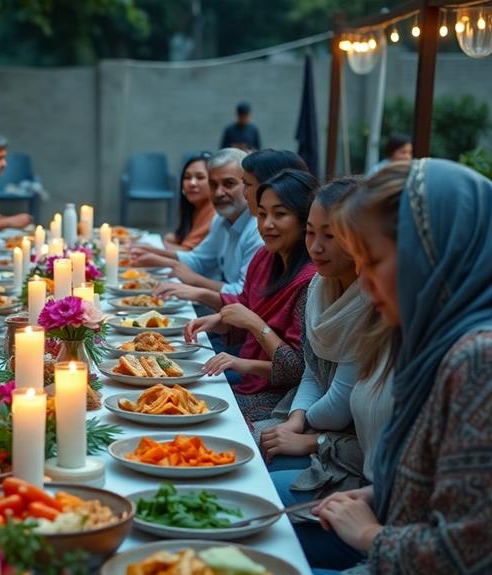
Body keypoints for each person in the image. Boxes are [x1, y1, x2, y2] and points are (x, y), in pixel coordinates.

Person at [310, 159, 492, 573]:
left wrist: (367, 534)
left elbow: (483, 555)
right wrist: (380, 494)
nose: (363, 283)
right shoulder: (449, 335)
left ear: (434, 255)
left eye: (375, 260)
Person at [263, 178, 396, 570]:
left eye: (331, 236)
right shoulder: (320, 288)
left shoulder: (377, 308)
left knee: (247, 487)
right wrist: (296, 421)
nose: (315, 247)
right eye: (311, 233)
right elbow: (310, 371)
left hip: (352, 478)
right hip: (357, 483)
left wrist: (306, 438)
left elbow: (342, 406)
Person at [184, 169, 318, 423]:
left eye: (280, 214)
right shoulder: (265, 257)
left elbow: (295, 370)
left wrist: (253, 326)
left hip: (278, 399)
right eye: (262, 213)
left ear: (303, 221)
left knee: (195, 415)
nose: (266, 224)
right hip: (248, 380)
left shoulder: (310, 281)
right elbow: (245, 307)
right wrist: (219, 321)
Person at [132, 149, 259, 308]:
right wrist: (157, 254)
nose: (219, 193)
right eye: (213, 185)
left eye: (229, 184)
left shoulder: (257, 230)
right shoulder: (221, 219)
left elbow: (242, 293)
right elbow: (199, 259)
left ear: (247, 186)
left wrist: (196, 280)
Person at [160, 151, 217, 251]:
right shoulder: (194, 207)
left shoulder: (215, 212)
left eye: (200, 177)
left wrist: (154, 245)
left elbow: (188, 253)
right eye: (187, 177)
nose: (192, 183)